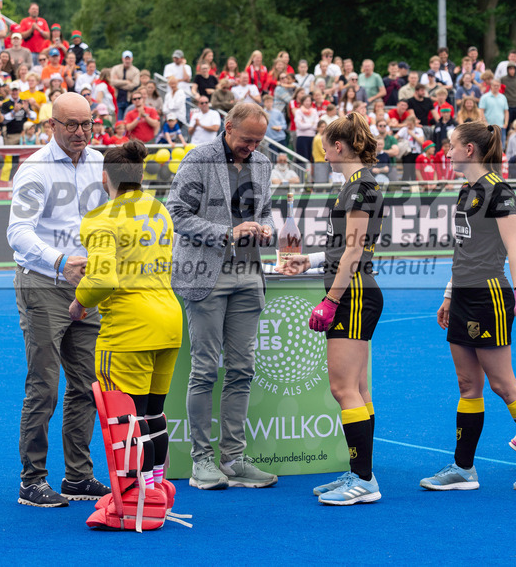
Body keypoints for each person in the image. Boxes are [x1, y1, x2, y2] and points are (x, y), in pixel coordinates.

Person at [421, 122, 516, 492]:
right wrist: (449, 293)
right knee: (467, 383)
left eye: (452, 145)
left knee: (503, 384)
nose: (447, 150)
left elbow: (514, 248)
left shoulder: (498, 191)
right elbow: (462, 249)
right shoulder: (464, 191)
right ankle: (464, 469)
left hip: (489, 293)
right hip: (464, 294)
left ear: (470, 149)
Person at [166, 102, 278, 491]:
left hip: (248, 275)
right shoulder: (199, 159)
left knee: (242, 370)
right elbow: (176, 213)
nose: (252, 147)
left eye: (258, 141)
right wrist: (225, 232)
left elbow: (265, 212)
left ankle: (233, 459)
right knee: (204, 370)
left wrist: (263, 228)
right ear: (227, 127)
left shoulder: (263, 163)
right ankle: (201, 462)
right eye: (247, 139)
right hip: (205, 275)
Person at [7, 92, 112, 508]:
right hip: (43, 282)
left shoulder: (100, 162)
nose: (81, 132)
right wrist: (60, 260)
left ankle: (78, 476)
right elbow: (18, 232)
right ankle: (31, 480)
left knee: (88, 384)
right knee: (44, 385)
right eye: (71, 125)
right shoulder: (35, 168)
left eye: (87, 124)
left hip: (87, 285)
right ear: (52, 125)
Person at [279, 114, 385, 505]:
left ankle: (364, 480)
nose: (322, 152)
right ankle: (361, 472)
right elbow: (344, 248)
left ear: (339, 146)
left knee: (344, 389)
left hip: (354, 293)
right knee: (358, 389)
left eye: (325, 145)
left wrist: (331, 299)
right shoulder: (354, 186)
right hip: (355, 290)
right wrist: (311, 260)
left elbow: (355, 252)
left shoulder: (360, 188)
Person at [69, 140, 182, 504]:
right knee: (153, 415)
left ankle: (135, 499)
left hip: (131, 328)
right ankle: (156, 489)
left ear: (105, 177)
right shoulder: (160, 211)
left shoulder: (101, 219)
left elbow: (102, 279)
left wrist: (78, 303)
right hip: (168, 320)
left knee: (126, 422)